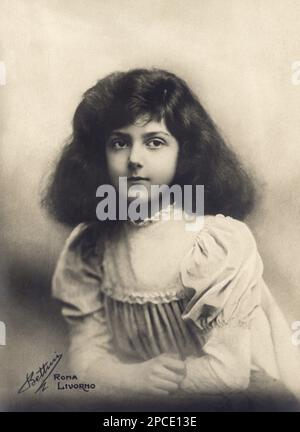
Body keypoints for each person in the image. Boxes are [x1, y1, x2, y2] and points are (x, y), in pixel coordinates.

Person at [43, 68, 300, 410]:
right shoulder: (90, 245)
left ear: (185, 153)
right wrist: (133, 378)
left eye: (155, 142)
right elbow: (86, 357)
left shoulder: (217, 244)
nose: (135, 159)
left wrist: (148, 385)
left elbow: (227, 373)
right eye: (119, 142)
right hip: (137, 397)